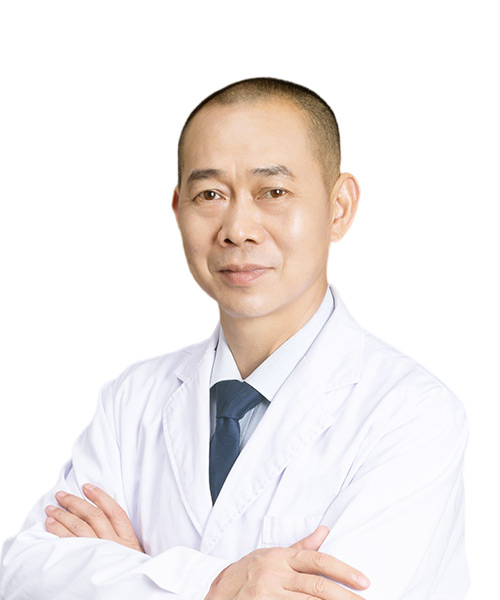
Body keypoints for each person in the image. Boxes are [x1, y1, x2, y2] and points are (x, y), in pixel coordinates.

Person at [0, 78, 469, 599]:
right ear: (178, 207)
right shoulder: (132, 400)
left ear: (339, 206)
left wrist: (130, 572)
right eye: (210, 194)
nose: (237, 228)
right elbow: (24, 572)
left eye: (273, 192)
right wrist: (216, 584)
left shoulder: (412, 413)